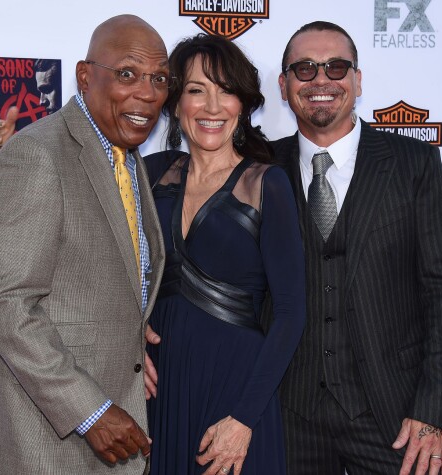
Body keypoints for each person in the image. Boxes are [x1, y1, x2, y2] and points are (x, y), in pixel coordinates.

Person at [0, 15, 169, 474]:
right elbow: (6, 302)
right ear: (84, 76)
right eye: (128, 74)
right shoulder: (37, 154)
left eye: (159, 79)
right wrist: (90, 411)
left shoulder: (127, 157)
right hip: (40, 440)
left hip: (102, 432)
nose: (148, 92)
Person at [263, 21, 442, 475]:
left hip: (393, 415)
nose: (321, 80)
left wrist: (434, 410)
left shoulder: (413, 163)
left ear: (357, 80)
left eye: (337, 67)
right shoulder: (257, 166)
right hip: (286, 414)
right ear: (284, 84)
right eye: (305, 68)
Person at [143, 34, 305, 474]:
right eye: (197, 90)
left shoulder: (265, 184)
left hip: (236, 392)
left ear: (243, 104)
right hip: (164, 389)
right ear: (176, 103)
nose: (213, 107)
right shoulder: (151, 174)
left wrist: (244, 418)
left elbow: (291, 313)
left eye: (226, 91)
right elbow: (96, 243)